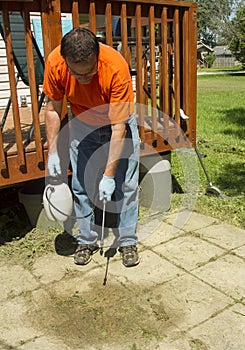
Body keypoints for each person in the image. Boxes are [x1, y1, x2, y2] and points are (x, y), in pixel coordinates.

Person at [42, 27, 140, 267]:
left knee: (126, 184)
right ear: (66, 64)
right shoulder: (55, 63)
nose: (85, 79)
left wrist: (108, 176)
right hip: (82, 123)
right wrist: (53, 151)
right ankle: (87, 239)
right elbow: (53, 109)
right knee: (82, 185)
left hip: (116, 122)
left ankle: (127, 240)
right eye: (78, 75)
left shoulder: (115, 67)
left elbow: (119, 129)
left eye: (90, 73)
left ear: (97, 56)